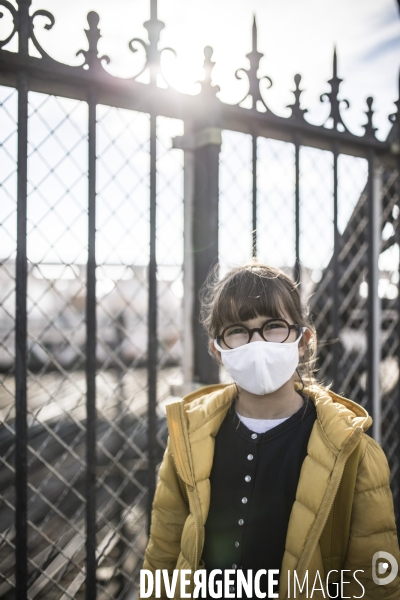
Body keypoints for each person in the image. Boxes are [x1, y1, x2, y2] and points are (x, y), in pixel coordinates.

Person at [140, 262, 400, 599]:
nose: (257, 343)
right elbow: (161, 560)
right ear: (216, 350)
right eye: (237, 330)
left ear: (303, 340)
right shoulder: (187, 441)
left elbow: (375, 582)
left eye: (273, 326)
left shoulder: (353, 451)